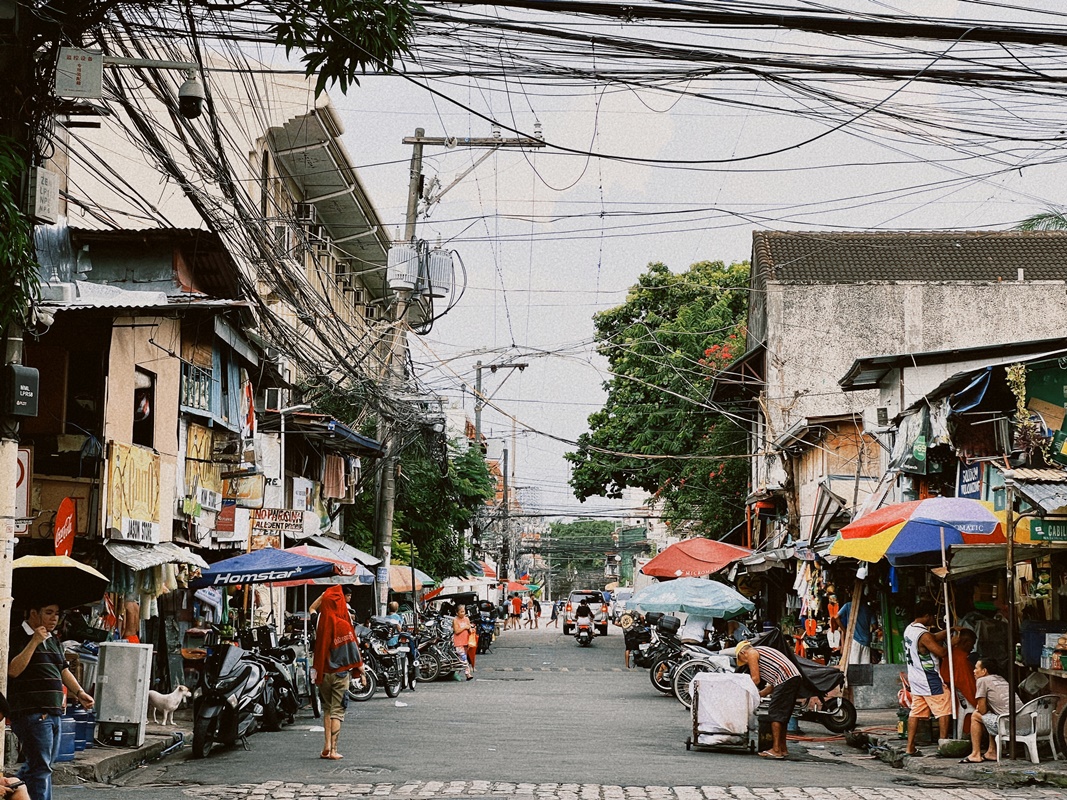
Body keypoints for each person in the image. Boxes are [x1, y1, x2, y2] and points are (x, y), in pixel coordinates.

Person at [8, 601, 96, 800]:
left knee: (40, 766)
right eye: (48, 613)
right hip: (33, 711)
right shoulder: (16, 635)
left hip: (54, 710)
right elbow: (13, 670)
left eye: (56, 613)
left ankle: (12, 789)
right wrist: (34, 642)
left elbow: (62, 669)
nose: (54, 618)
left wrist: (80, 693)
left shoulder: (53, 640)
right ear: (33, 613)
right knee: (41, 768)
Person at [313, 585, 363, 760]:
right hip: (340, 674)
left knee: (327, 709)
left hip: (323, 673)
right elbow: (353, 651)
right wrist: (361, 671)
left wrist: (322, 596)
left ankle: (326, 746)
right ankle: (334, 749)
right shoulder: (344, 624)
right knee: (337, 712)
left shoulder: (319, 620)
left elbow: (311, 609)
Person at [735, 640, 802, 759]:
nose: (746, 663)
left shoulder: (751, 653)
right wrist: (759, 694)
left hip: (786, 679)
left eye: (742, 660)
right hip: (792, 677)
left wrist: (742, 689)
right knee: (783, 715)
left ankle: (776, 749)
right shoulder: (762, 652)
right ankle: (782, 748)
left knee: (775, 713)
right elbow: (772, 685)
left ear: (742, 652)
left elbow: (755, 679)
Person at [903, 601, 952, 757]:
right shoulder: (923, 634)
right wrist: (954, 642)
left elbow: (932, 638)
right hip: (928, 677)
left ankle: (910, 747)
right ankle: (942, 745)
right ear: (926, 616)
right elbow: (941, 652)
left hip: (915, 677)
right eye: (932, 617)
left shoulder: (910, 629)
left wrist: (949, 631)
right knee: (944, 708)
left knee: (915, 712)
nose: (933, 619)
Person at [960, 657, 1021, 763]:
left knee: (975, 716)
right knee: (991, 715)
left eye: (976, 668)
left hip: (1010, 726)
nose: (974, 671)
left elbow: (982, 711)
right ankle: (992, 751)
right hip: (1025, 724)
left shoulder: (982, 681)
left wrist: (982, 707)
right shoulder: (1001, 679)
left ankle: (975, 754)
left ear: (984, 671)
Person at [939, 627, 978, 734]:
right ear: (966, 642)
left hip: (954, 695)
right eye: (972, 643)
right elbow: (968, 685)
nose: (973, 647)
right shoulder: (961, 659)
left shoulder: (952, 654)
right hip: (963, 698)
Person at [836, 599, 875, 664]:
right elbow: (874, 626)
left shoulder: (848, 605)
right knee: (865, 666)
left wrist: (845, 630)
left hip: (855, 640)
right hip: (866, 640)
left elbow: (836, 617)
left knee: (854, 665)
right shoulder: (868, 608)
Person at [452, 605, 474, 680]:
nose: (463, 613)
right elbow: (456, 631)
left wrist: (470, 629)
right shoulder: (455, 620)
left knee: (460, 659)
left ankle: (455, 673)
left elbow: (469, 628)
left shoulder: (467, 619)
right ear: (457, 613)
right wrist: (465, 627)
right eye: (461, 612)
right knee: (463, 658)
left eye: (463, 611)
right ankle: (468, 674)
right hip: (458, 642)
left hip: (466, 641)